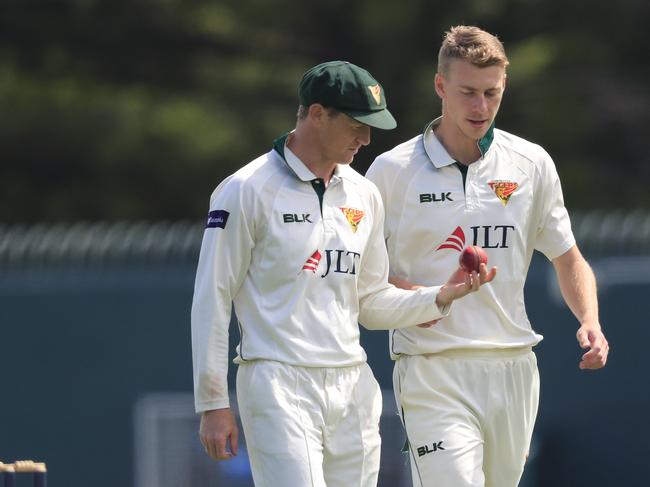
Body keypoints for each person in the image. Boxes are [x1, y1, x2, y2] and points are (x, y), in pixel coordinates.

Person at [191, 60, 494, 487]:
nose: (366, 139)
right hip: (279, 383)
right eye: (356, 124)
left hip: (353, 384)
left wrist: (440, 296)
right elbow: (212, 298)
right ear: (317, 114)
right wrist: (212, 402)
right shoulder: (245, 189)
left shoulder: (364, 192)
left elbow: (369, 302)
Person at [365, 26, 610, 487]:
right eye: (467, 93)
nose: (480, 107)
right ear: (440, 87)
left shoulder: (531, 162)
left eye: (491, 93)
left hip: (514, 368)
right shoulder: (392, 171)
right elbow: (365, 277)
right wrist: (429, 298)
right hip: (431, 369)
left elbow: (568, 256)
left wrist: (590, 320)